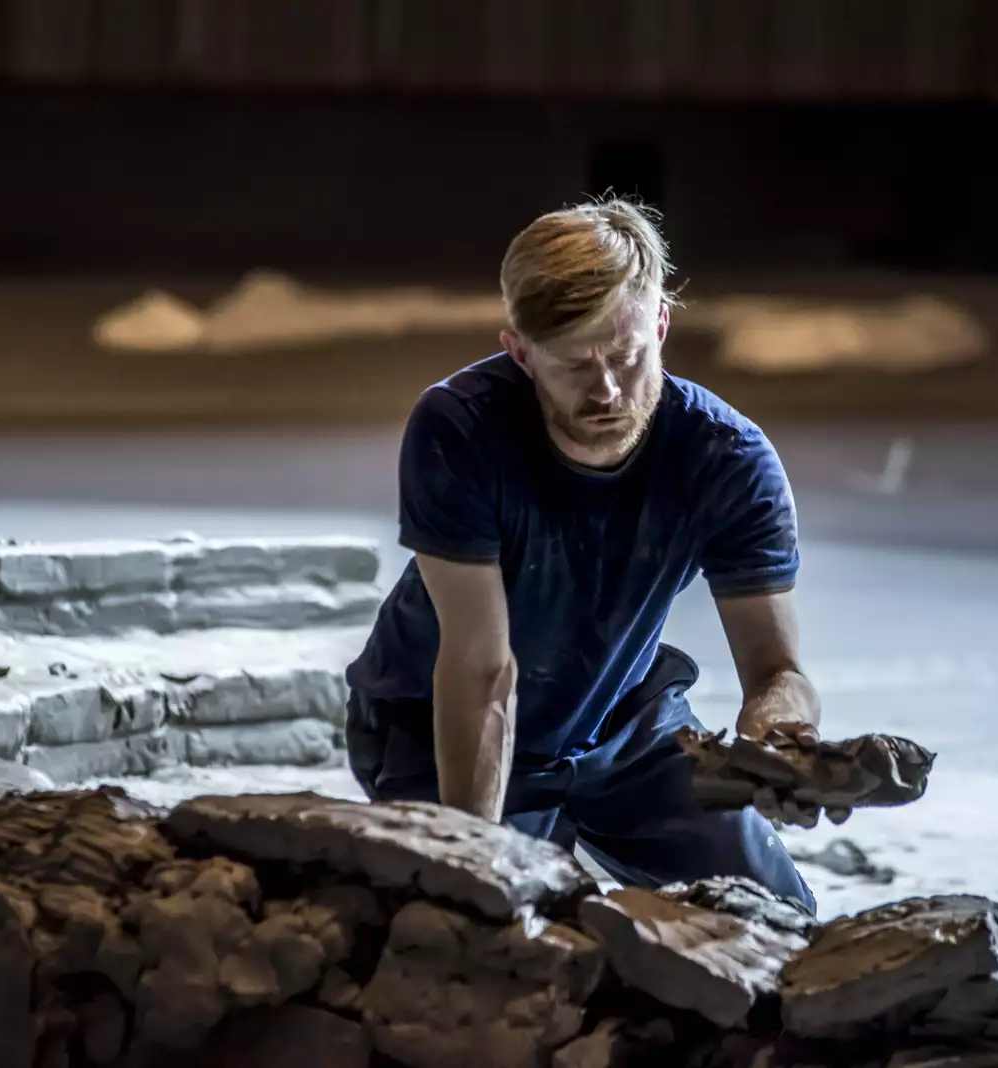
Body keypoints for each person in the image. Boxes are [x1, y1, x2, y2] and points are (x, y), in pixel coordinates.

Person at [344, 198, 820, 912]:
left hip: (621, 721)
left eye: (626, 357)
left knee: (782, 920)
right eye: (574, 363)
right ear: (519, 350)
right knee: (481, 928)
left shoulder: (727, 458)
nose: (605, 390)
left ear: (660, 325)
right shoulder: (460, 429)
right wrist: (476, 867)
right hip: (438, 719)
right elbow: (481, 668)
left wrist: (778, 743)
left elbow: (778, 670)